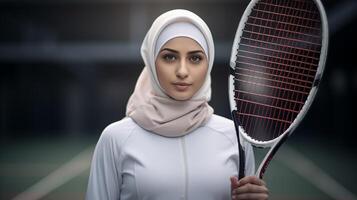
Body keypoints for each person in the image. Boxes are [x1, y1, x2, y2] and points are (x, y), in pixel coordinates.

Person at [86, 9, 269, 200]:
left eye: (195, 58)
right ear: (151, 61)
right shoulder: (115, 138)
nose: (182, 71)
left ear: (209, 63)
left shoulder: (234, 137)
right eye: (170, 57)